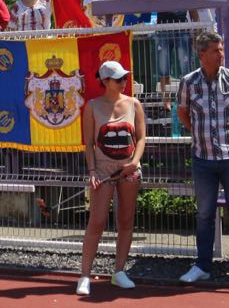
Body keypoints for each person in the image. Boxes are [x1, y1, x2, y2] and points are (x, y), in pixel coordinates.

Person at [177, 31, 229, 288]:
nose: (221, 54)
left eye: (221, 49)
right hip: (203, 160)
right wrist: (202, 137)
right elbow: (183, 115)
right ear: (202, 55)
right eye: (215, 50)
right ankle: (202, 265)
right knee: (204, 215)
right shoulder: (188, 82)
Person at [76, 61, 145, 296]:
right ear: (105, 81)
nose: (124, 82)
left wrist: (134, 161)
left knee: (125, 221)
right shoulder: (92, 106)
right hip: (103, 171)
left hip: (129, 171)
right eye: (118, 79)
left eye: (125, 78)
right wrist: (93, 172)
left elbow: (142, 138)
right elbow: (88, 143)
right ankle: (85, 275)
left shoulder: (134, 104)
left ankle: (119, 272)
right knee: (96, 221)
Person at [153, 0, 198, 110]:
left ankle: (185, 99)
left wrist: (197, 29)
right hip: (163, 27)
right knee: (163, 66)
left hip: (182, 27)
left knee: (185, 66)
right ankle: (166, 100)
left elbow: (192, 6)